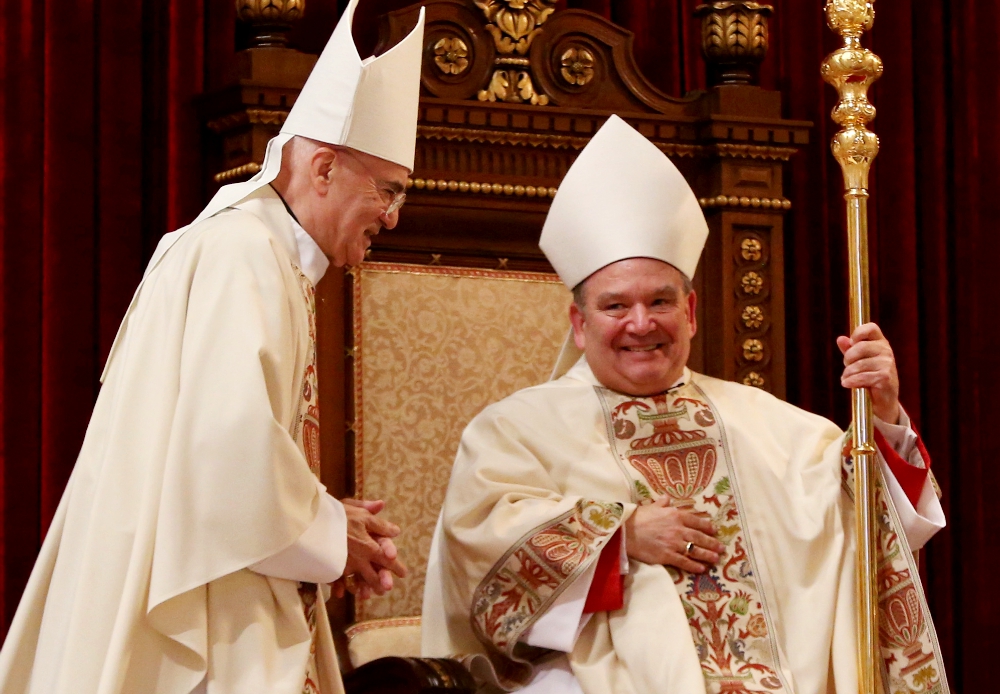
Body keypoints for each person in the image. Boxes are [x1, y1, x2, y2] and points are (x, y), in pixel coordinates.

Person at [422, 115, 950, 694]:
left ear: (692, 313)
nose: (641, 324)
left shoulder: (773, 426)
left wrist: (882, 417)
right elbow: (478, 557)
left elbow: (876, 526)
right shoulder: (513, 431)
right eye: (615, 306)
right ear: (578, 323)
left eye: (660, 301)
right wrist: (618, 538)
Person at [0, 2, 424, 693]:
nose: (394, 216)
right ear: (322, 169)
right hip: (202, 603)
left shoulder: (260, 251)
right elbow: (227, 456)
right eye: (387, 190)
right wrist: (326, 531)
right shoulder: (243, 254)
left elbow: (237, 454)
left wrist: (326, 522)